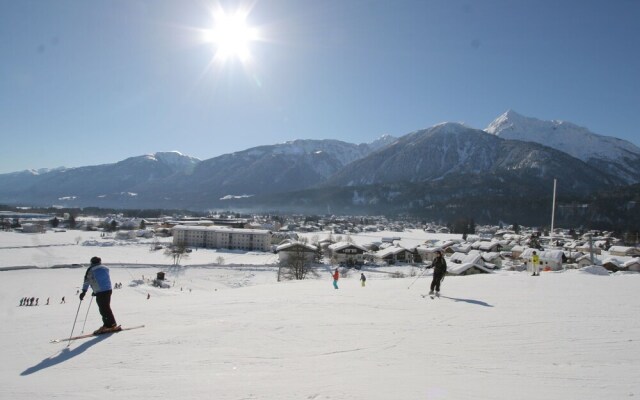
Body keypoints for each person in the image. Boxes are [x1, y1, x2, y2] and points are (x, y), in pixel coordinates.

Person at [80, 256, 120, 334]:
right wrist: (95, 290)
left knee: (103, 309)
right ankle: (108, 324)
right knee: (106, 307)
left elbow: (87, 281)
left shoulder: (91, 269)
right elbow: (101, 279)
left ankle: (110, 325)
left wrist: (84, 292)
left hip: (100, 292)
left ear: (92, 262)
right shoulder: (105, 268)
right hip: (108, 290)